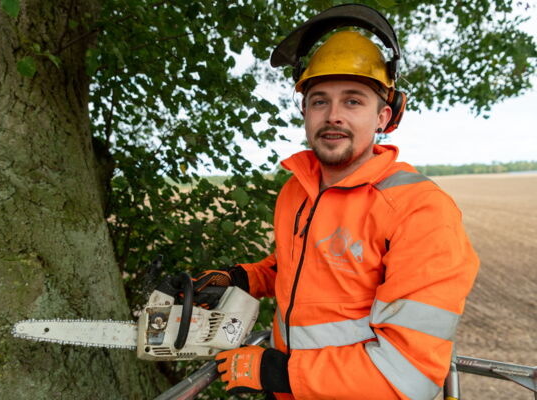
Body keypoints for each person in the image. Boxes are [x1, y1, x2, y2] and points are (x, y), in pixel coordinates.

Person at [188, 5, 480, 399]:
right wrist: (242, 278)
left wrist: (282, 373)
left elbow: (407, 375)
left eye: (353, 101)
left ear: (384, 116)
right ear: (305, 112)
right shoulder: (298, 190)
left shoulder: (421, 211)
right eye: (320, 101)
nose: (333, 116)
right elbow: (301, 267)